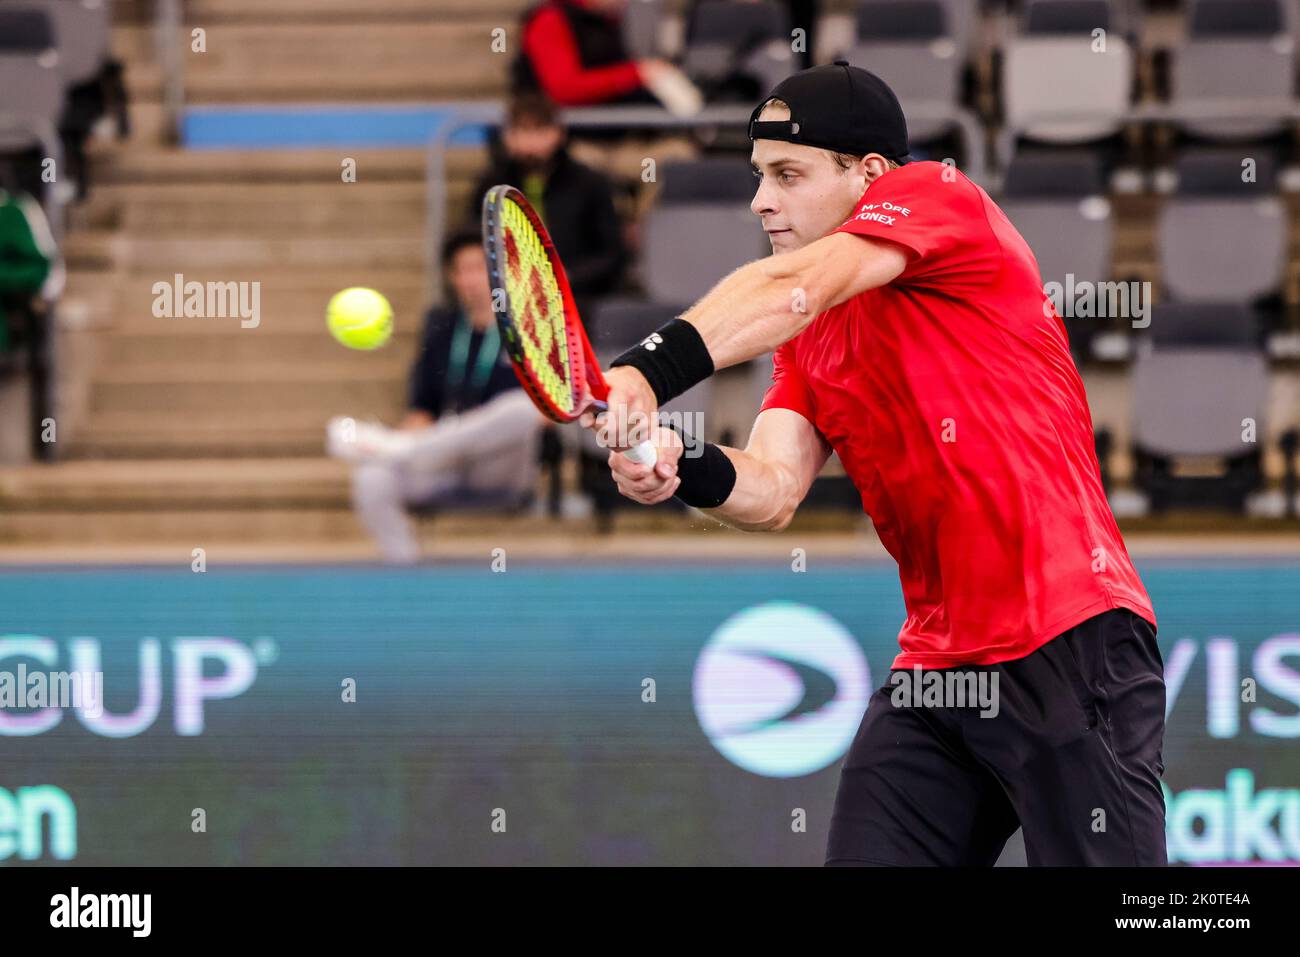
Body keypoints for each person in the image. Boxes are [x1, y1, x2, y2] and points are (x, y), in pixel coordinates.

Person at [583, 61, 1166, 866]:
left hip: (1068, 638)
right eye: (758, 177)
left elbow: (797, 283)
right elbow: (774, 488)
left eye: (788, 175)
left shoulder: (942, 199)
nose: (762, 201)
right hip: (937, 672)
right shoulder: (812, 336)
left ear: (871, 176)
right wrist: (677, 461)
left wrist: (648, 370)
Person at [328, 229, 548, 564]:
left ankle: (402, 449)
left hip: (502, 464)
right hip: (445, 460)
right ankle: (404, 571)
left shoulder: (530, 328)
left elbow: (549, 412)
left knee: (520, 408)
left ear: (499, 272)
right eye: (462, 270)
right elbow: (422, 412)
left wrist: (413, 445)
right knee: (372, 477)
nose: (471, 279)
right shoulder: (443, 331)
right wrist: (414, 438)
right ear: (453, 278)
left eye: (479, 268)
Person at [468, 94, 627, 318]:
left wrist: (566, 276)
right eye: (523, 131)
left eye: (540, 131)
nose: (531, 142)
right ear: (508, 137)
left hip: (579, 303)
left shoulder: (590, 184)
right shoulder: (491, 187)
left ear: (559, 134)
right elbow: (474, 242)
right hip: (510, 304)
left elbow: (612, 254)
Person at [512, 0, 674, 107]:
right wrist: (636, 74)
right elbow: (564, 90)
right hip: (561, 133)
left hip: (609, 124)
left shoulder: (606, 20)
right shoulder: (550, 19)